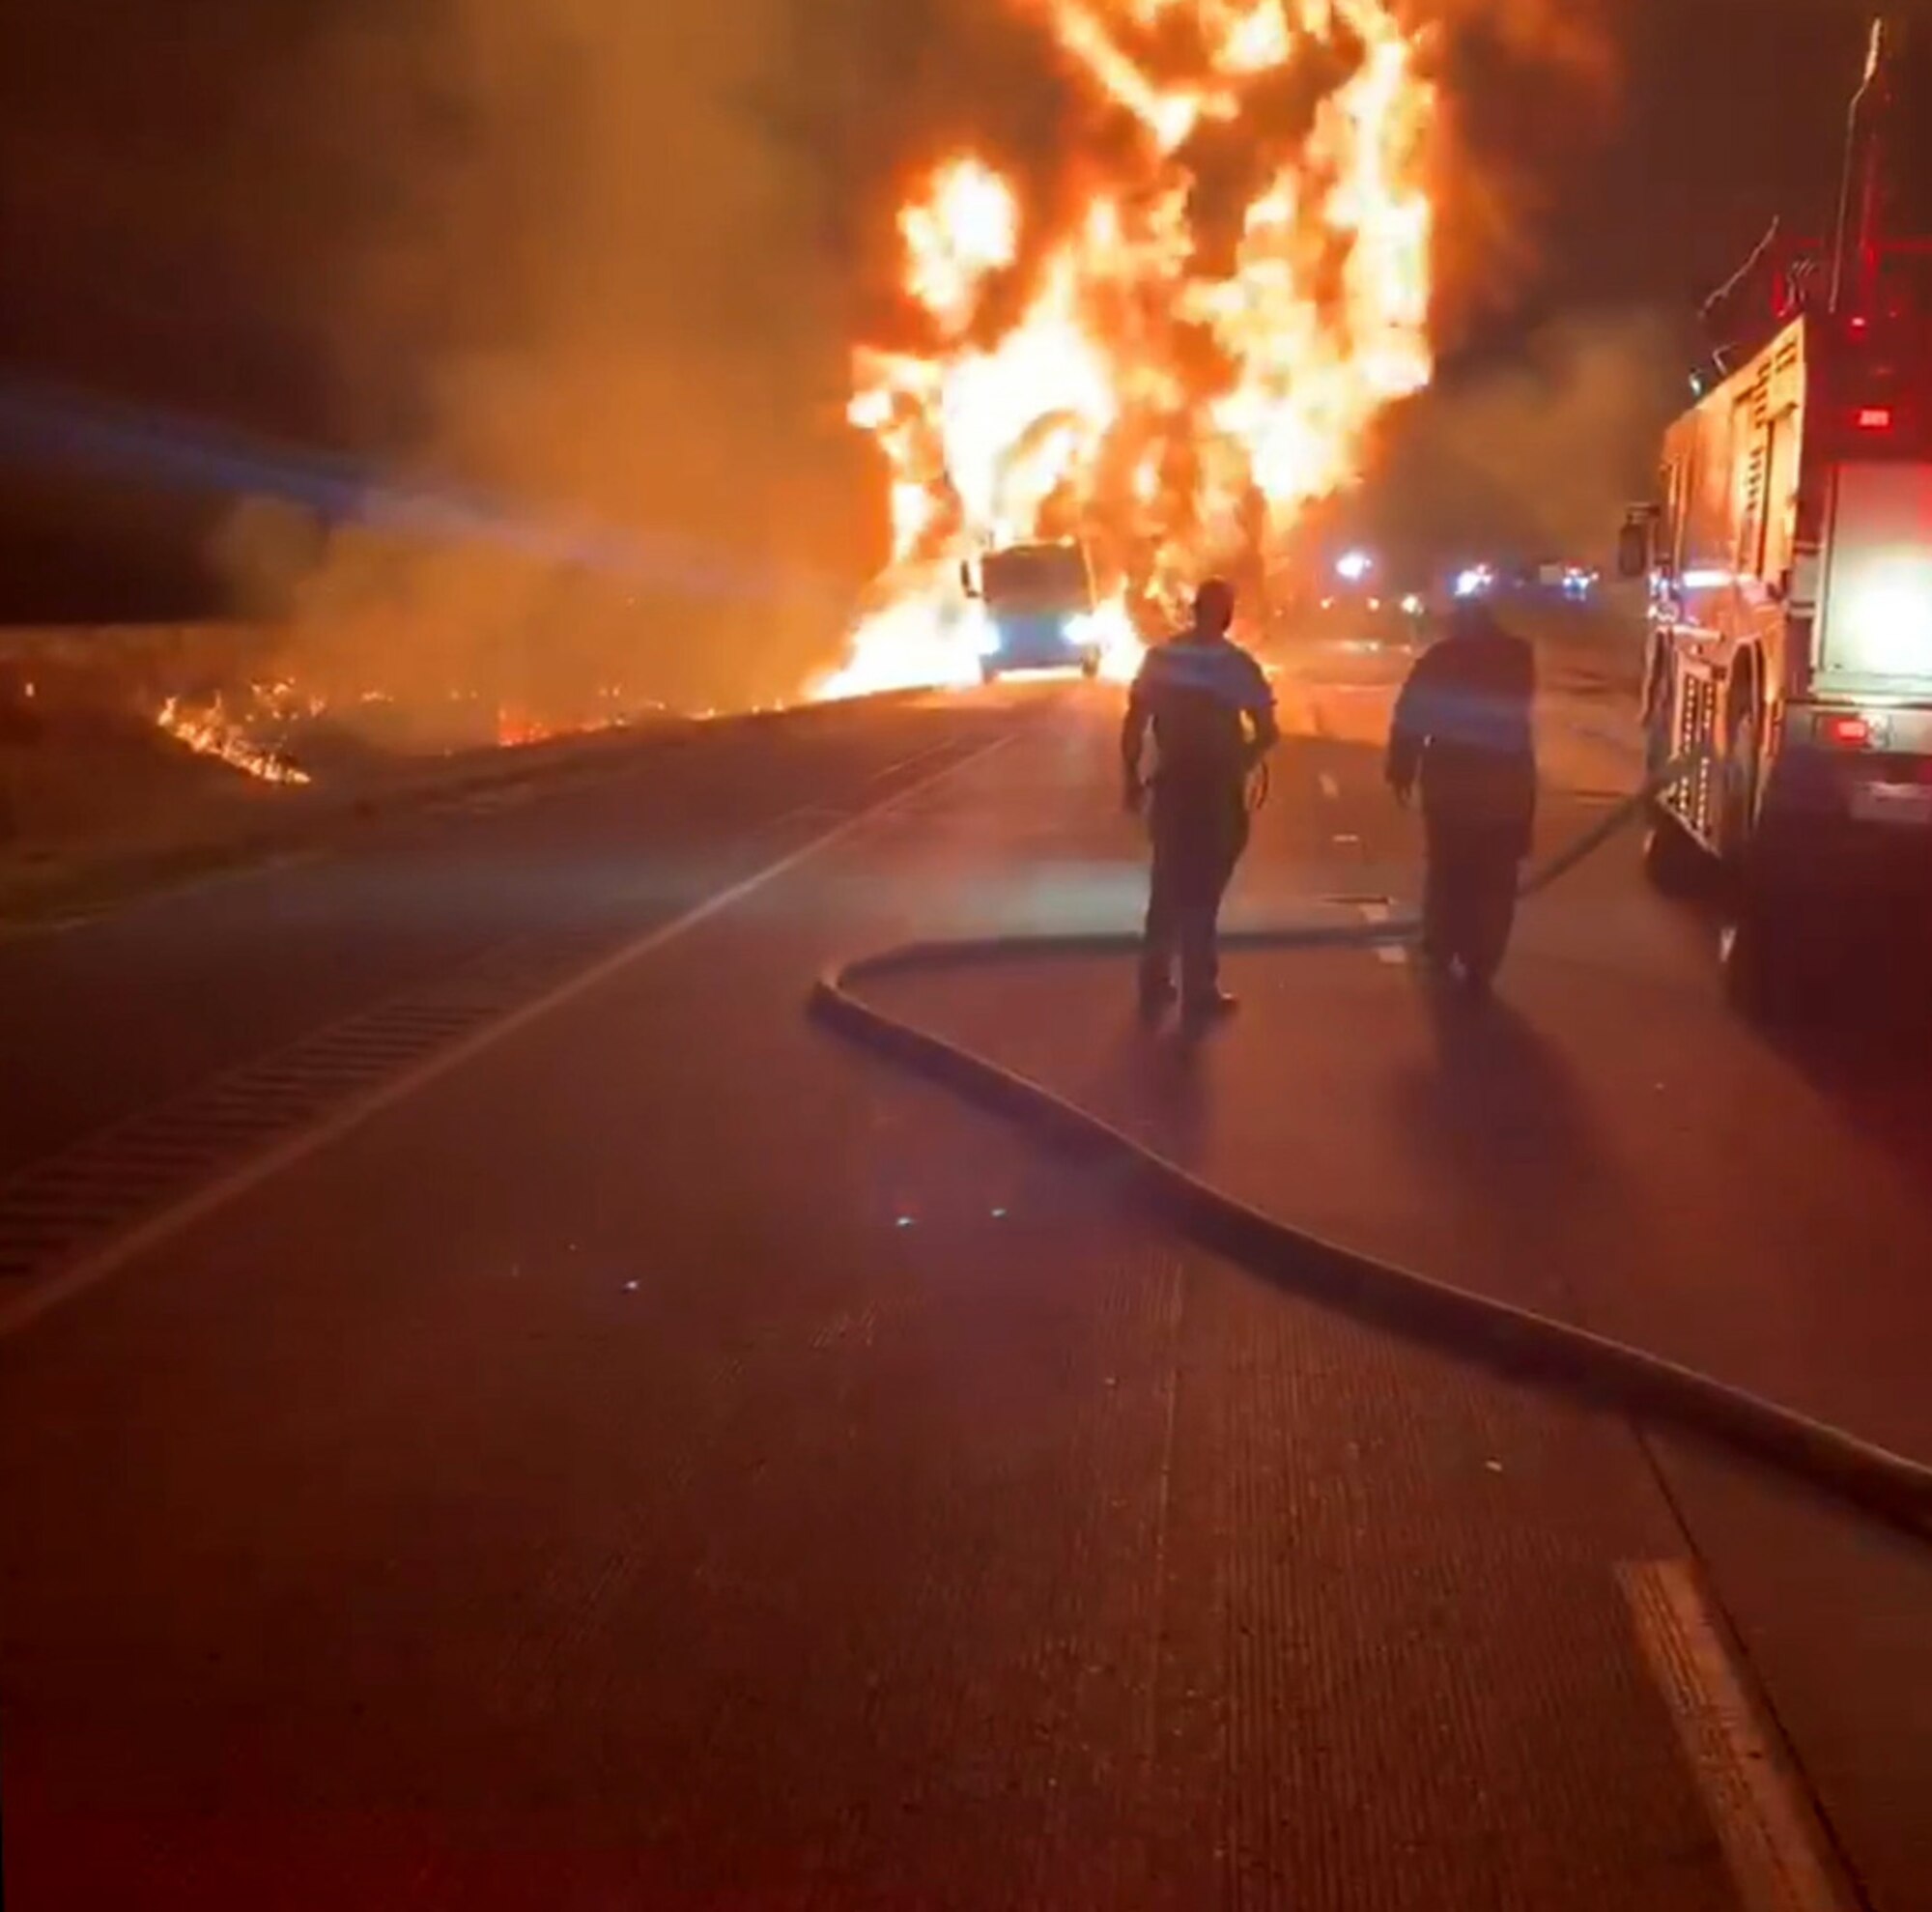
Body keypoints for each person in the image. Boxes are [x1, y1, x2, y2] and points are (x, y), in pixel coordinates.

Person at [1122, 579, 1279, 1027]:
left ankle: (1153, 979)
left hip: (1172, 786)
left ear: (1192, 611)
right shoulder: (1236, 665)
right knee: (1205, 888)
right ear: (1226, 615)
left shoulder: (1162, 659)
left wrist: (1130, 778)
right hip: (1215, 791)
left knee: (1168, 879)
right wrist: (1242, 759)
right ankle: (1199, 989)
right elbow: (1268, 729)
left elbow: (1135, 722)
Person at [1385, 600, 1537, 995]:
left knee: (1448, 869)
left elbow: (1411, 714)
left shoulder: (1441, 659)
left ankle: (1443, 944)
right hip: (1508, 785)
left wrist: (1401, 765)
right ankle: (1482, 961)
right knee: (1496, 878)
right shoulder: (1518, 655)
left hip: (1453, 783)